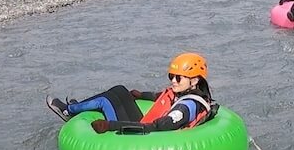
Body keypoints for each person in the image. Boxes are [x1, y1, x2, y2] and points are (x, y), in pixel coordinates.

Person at [46, 52, 217, 134]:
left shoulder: (185, 108)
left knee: (106, 100)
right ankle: (77, 106)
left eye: (178, 78)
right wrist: (140, 94)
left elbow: (159, 126)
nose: (173, 81)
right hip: (147, 123)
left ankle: (69, 110)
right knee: (120, 90)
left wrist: (110, 126)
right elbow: (161, 97)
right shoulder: (189, 93)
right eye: (171, 76)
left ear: (194, 80)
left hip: (143, 135)